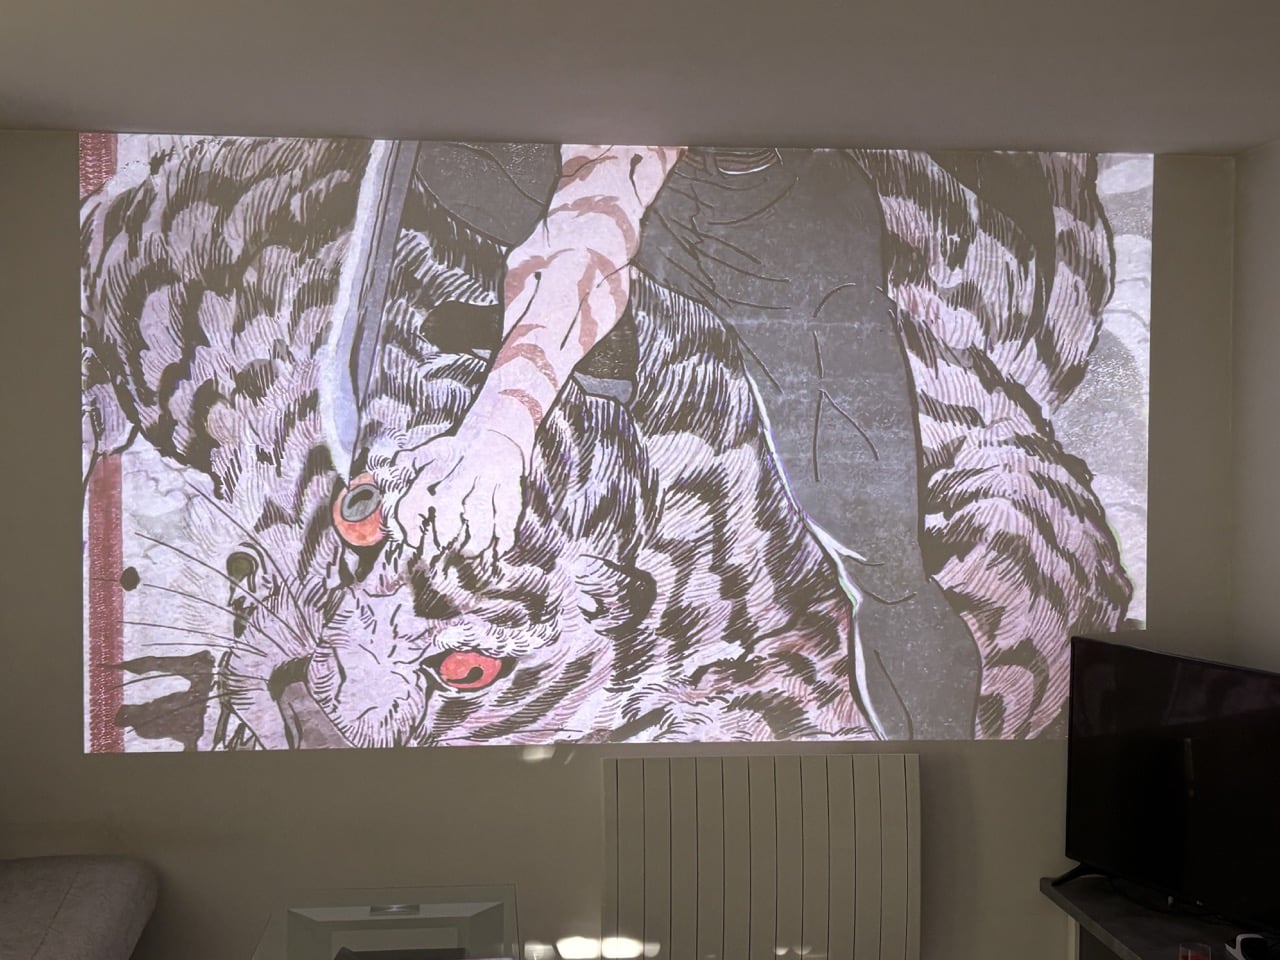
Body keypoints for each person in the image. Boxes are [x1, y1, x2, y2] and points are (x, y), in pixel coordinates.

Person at [391, 143, 981, 739]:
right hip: (658, 199)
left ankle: (939, 771)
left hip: (776, 222)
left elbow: (599, 208)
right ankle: (603, 340)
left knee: (882, 567)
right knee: (457, 154)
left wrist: (503, 422)